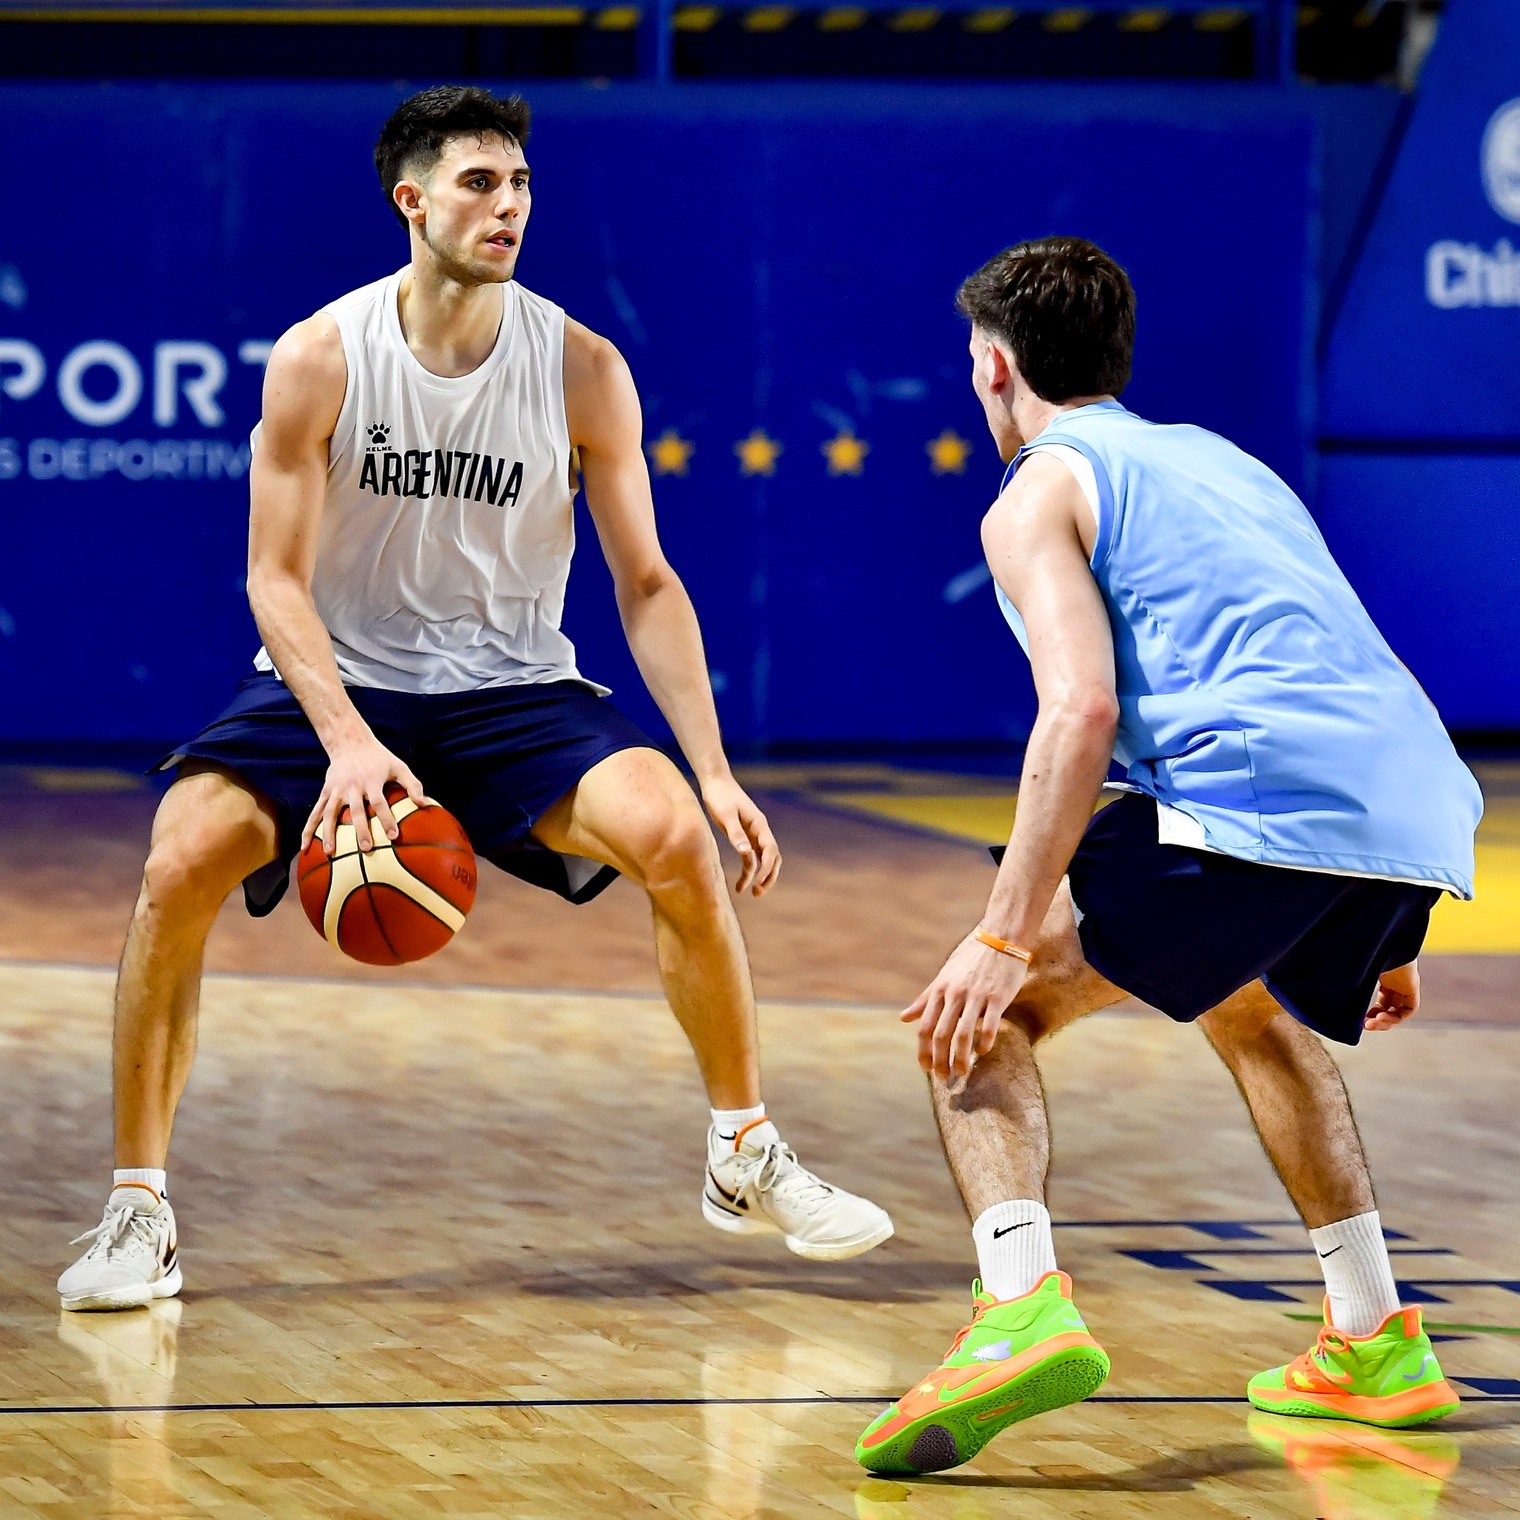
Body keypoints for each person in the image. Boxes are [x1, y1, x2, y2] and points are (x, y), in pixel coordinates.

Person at [59, 85, 890, 1313]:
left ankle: (743, 1149)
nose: (509, 208)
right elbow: (270, 577)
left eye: (520, 187)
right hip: (337, 680)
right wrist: (343, 740)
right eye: (479, 185)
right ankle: (139, 1210)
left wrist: (712, 768)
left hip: (510, 684)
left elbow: (647, 581)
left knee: (670, 835)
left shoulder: (580, 367)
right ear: (412, 200)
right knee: (181, 857)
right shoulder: (322, 355)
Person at [854, 236, 1481, 1474]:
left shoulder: (1035, 489)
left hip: (1259, 802)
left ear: (990, 366)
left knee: (981, 1016)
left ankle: (1017, 1306)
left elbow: (1078, 711)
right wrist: (1377, 925)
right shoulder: (1221, 460)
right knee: (1251, 1007)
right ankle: (1372, 1340)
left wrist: (997, 936)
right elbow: (1333, 662)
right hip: (1408, 808)